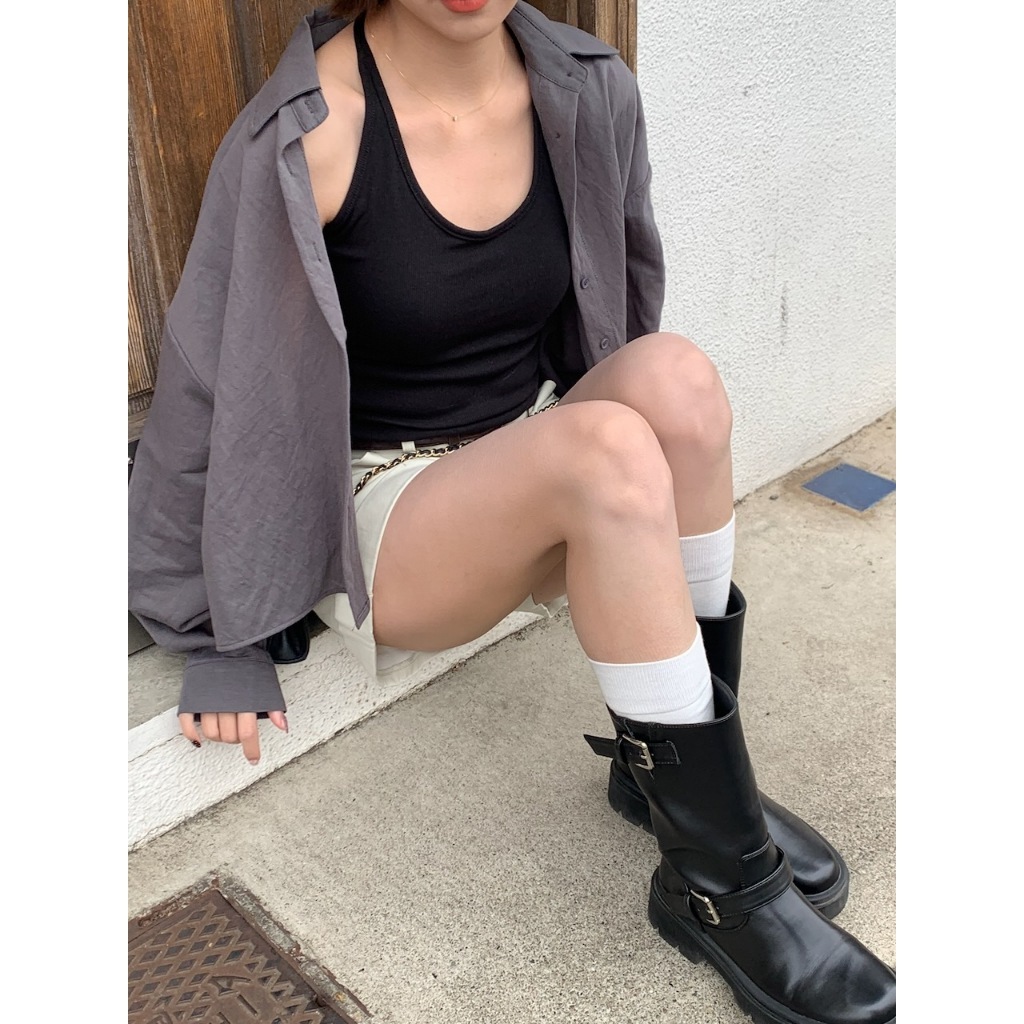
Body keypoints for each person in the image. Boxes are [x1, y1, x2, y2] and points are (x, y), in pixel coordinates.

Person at [127, 2, 896, 1021]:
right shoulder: (306, 134)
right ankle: (721, 885)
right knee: (605, 448)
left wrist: (620, 478)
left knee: (677, 378)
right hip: (388, 508)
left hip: (534, 445)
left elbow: (620, 303)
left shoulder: (585, 87)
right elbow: (208, 388)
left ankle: (677, 785)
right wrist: (213, 635)